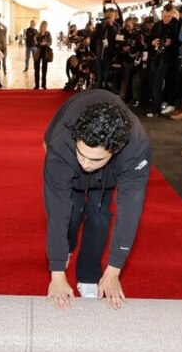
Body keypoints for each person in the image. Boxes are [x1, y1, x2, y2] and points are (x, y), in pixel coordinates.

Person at [43, 90, 151, 309]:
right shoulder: (62, 145)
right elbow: (56, 211)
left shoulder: (136, 147)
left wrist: (114, 270)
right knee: (70, 212)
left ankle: (89, 274)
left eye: (94, 159)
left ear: (116, 150)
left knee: (99, 214)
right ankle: (67, 247)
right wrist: (56, 272)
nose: (85, 164)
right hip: (65, 152)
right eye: (82, 154)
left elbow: (130, 210)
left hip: (108, 174)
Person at [33, 21, 52, 90]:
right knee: (36, 70)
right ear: (41, 27)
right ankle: (36, 85)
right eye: (42, 26)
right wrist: (36, 42)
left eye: (45, 26)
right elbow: (36, 44)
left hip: (45, 53)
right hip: (38, 53)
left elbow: (50, 42)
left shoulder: (48, 33)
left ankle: (43, 85)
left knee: (44, 70)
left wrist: (46, 43)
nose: (43, 28)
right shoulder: (38, 34)